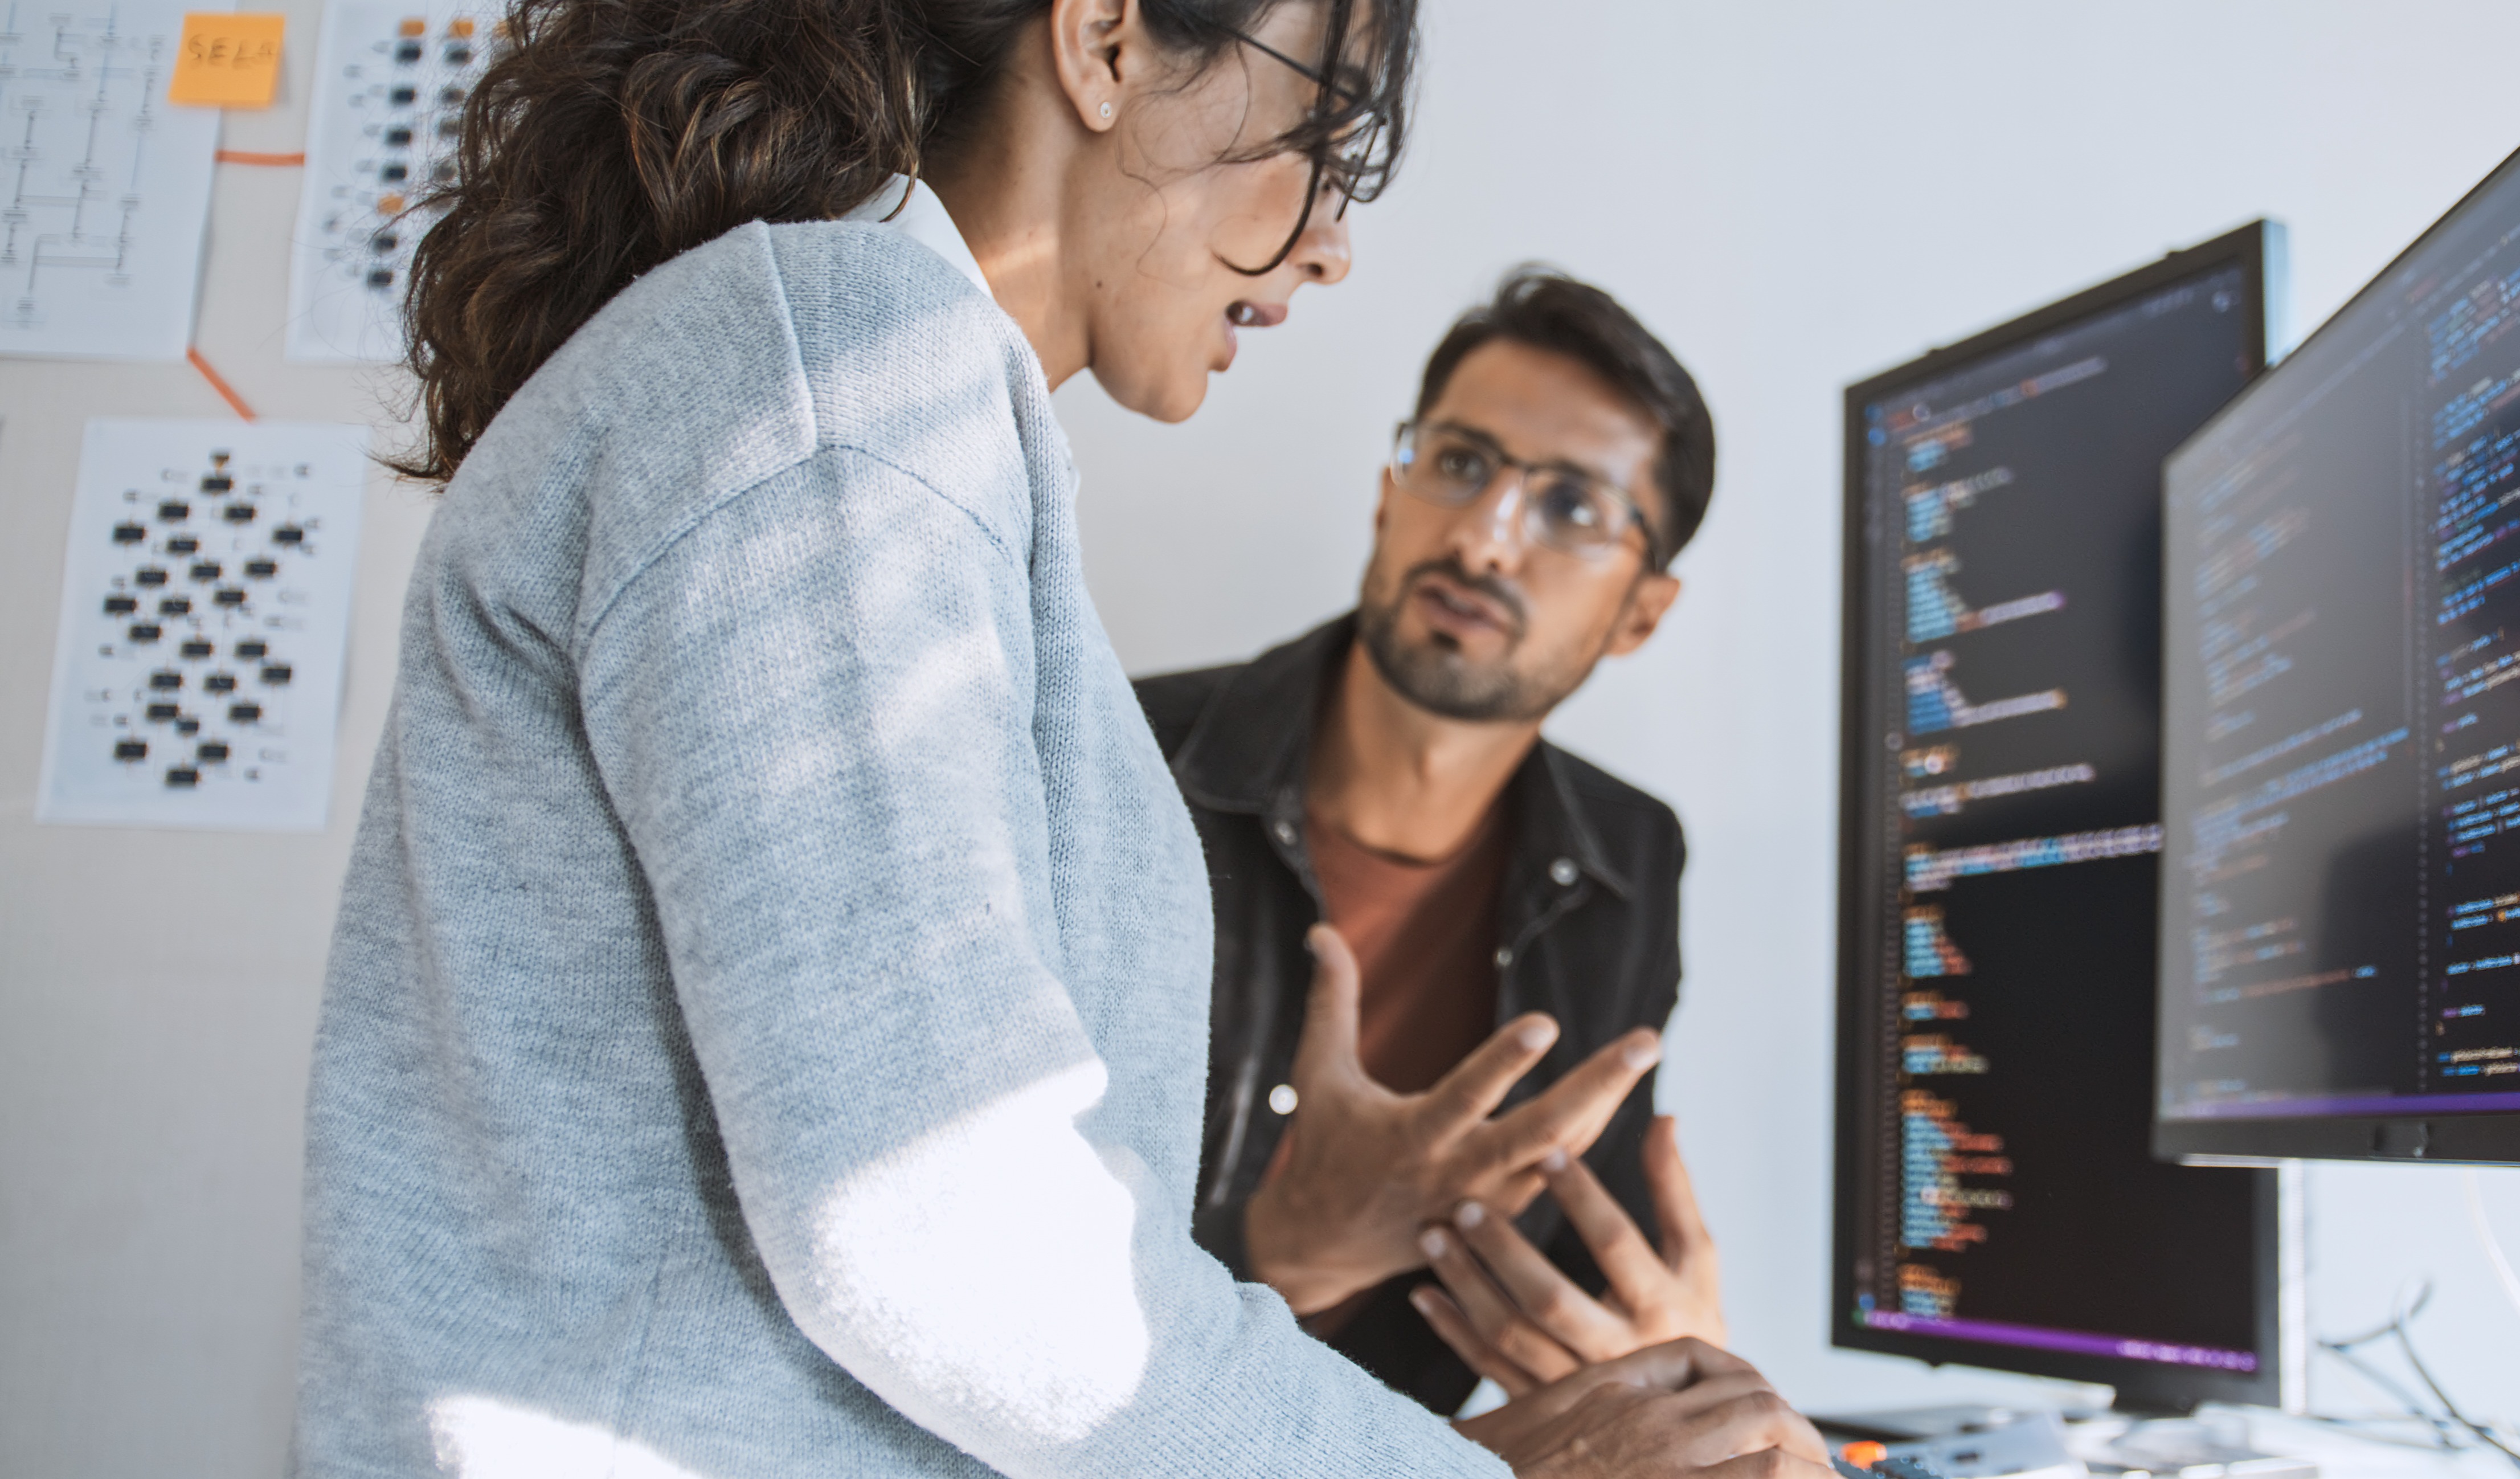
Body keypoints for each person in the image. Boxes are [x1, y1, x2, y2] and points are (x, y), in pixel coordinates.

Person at [289, 0, 1829, 1472]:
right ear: (1107, 42)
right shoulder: (842, 378)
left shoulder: (911, 414)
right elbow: (940, 1224)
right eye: (1324, 139)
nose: (1336, 243)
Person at [1131, 268, 1734, 1412]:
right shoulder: (1119, 749)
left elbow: (1572, 1280)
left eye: (1570, 506)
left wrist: (1665, 1353)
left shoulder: (1628, 855)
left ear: (1641, 612)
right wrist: (1280, 1249)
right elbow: (980, 1270)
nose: (1484, 538)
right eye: (1458, 463)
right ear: (1387, 493)